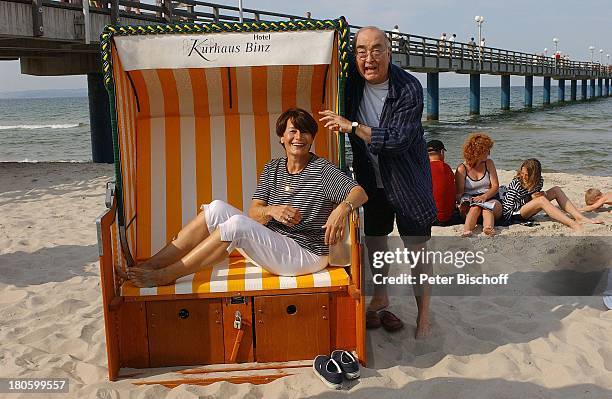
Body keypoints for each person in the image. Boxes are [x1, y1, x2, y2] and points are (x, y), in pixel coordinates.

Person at [126, 108, 368, 287]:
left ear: (312, 138)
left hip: (308, 253)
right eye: (293, 131)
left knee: (237, 225)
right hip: (276, 243)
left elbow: (360, 192)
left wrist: (342, 208)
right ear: (281, 137)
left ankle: (167, 275)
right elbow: (255, 211)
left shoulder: (321, 170)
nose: (299, 137)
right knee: (216, 208)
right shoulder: (273, 168)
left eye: (306, 132)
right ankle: (152, 264)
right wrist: (272, 210)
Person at [318, 26, 437, 338]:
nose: (368, 58)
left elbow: (397, 140)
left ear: (389, 53)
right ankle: (381, 295)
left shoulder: (409, 87)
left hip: (408, 182)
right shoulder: (351, 84)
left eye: (376, 50)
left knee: (417, 250)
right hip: (372, 182)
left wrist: (352, 126)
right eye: (361, 51)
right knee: (375, 241)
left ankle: (424, 314)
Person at [501, 159, 602, 231]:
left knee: (556, 190)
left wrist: (541, 194)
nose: (523, 176)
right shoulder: (516, 183)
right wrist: (530, 199)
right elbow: (507, 211)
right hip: (516, 213)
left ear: (534, 175)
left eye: (526, 175)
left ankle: (579, 217)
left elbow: (534, 194)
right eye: (522, 173)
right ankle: (573, 224)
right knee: (541, 200)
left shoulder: (539, 181)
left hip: (529, 206)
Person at [455, 133, 502, 237]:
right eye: (487, 150)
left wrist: (484, 197)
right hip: (471, 202)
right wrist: (464, 202)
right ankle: (467, 231)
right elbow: (459, 194)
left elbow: (495, 186)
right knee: (475, 208)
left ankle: (488, 228)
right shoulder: (462, 169)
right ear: (478, 152)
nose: (489, 153)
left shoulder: (489, 163)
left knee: (487, 208)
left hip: (490, 197)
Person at [427, 140, 456, 225]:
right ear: (442, 152)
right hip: (446, 218)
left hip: (428, 218)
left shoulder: (423, 168)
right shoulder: (446, 168)